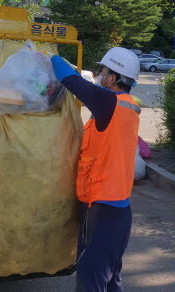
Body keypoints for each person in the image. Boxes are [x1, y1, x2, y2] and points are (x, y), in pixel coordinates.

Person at [50, 47, 141, 292]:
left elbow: (68, 78)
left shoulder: (107, 103)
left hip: (101, 209)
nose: (100, 74)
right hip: (119, 209)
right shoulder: (127, 105)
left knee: (91, 280)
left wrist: (48, 54)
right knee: (110, 279)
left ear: (112, 78)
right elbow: (95, 90)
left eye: (103, 71)